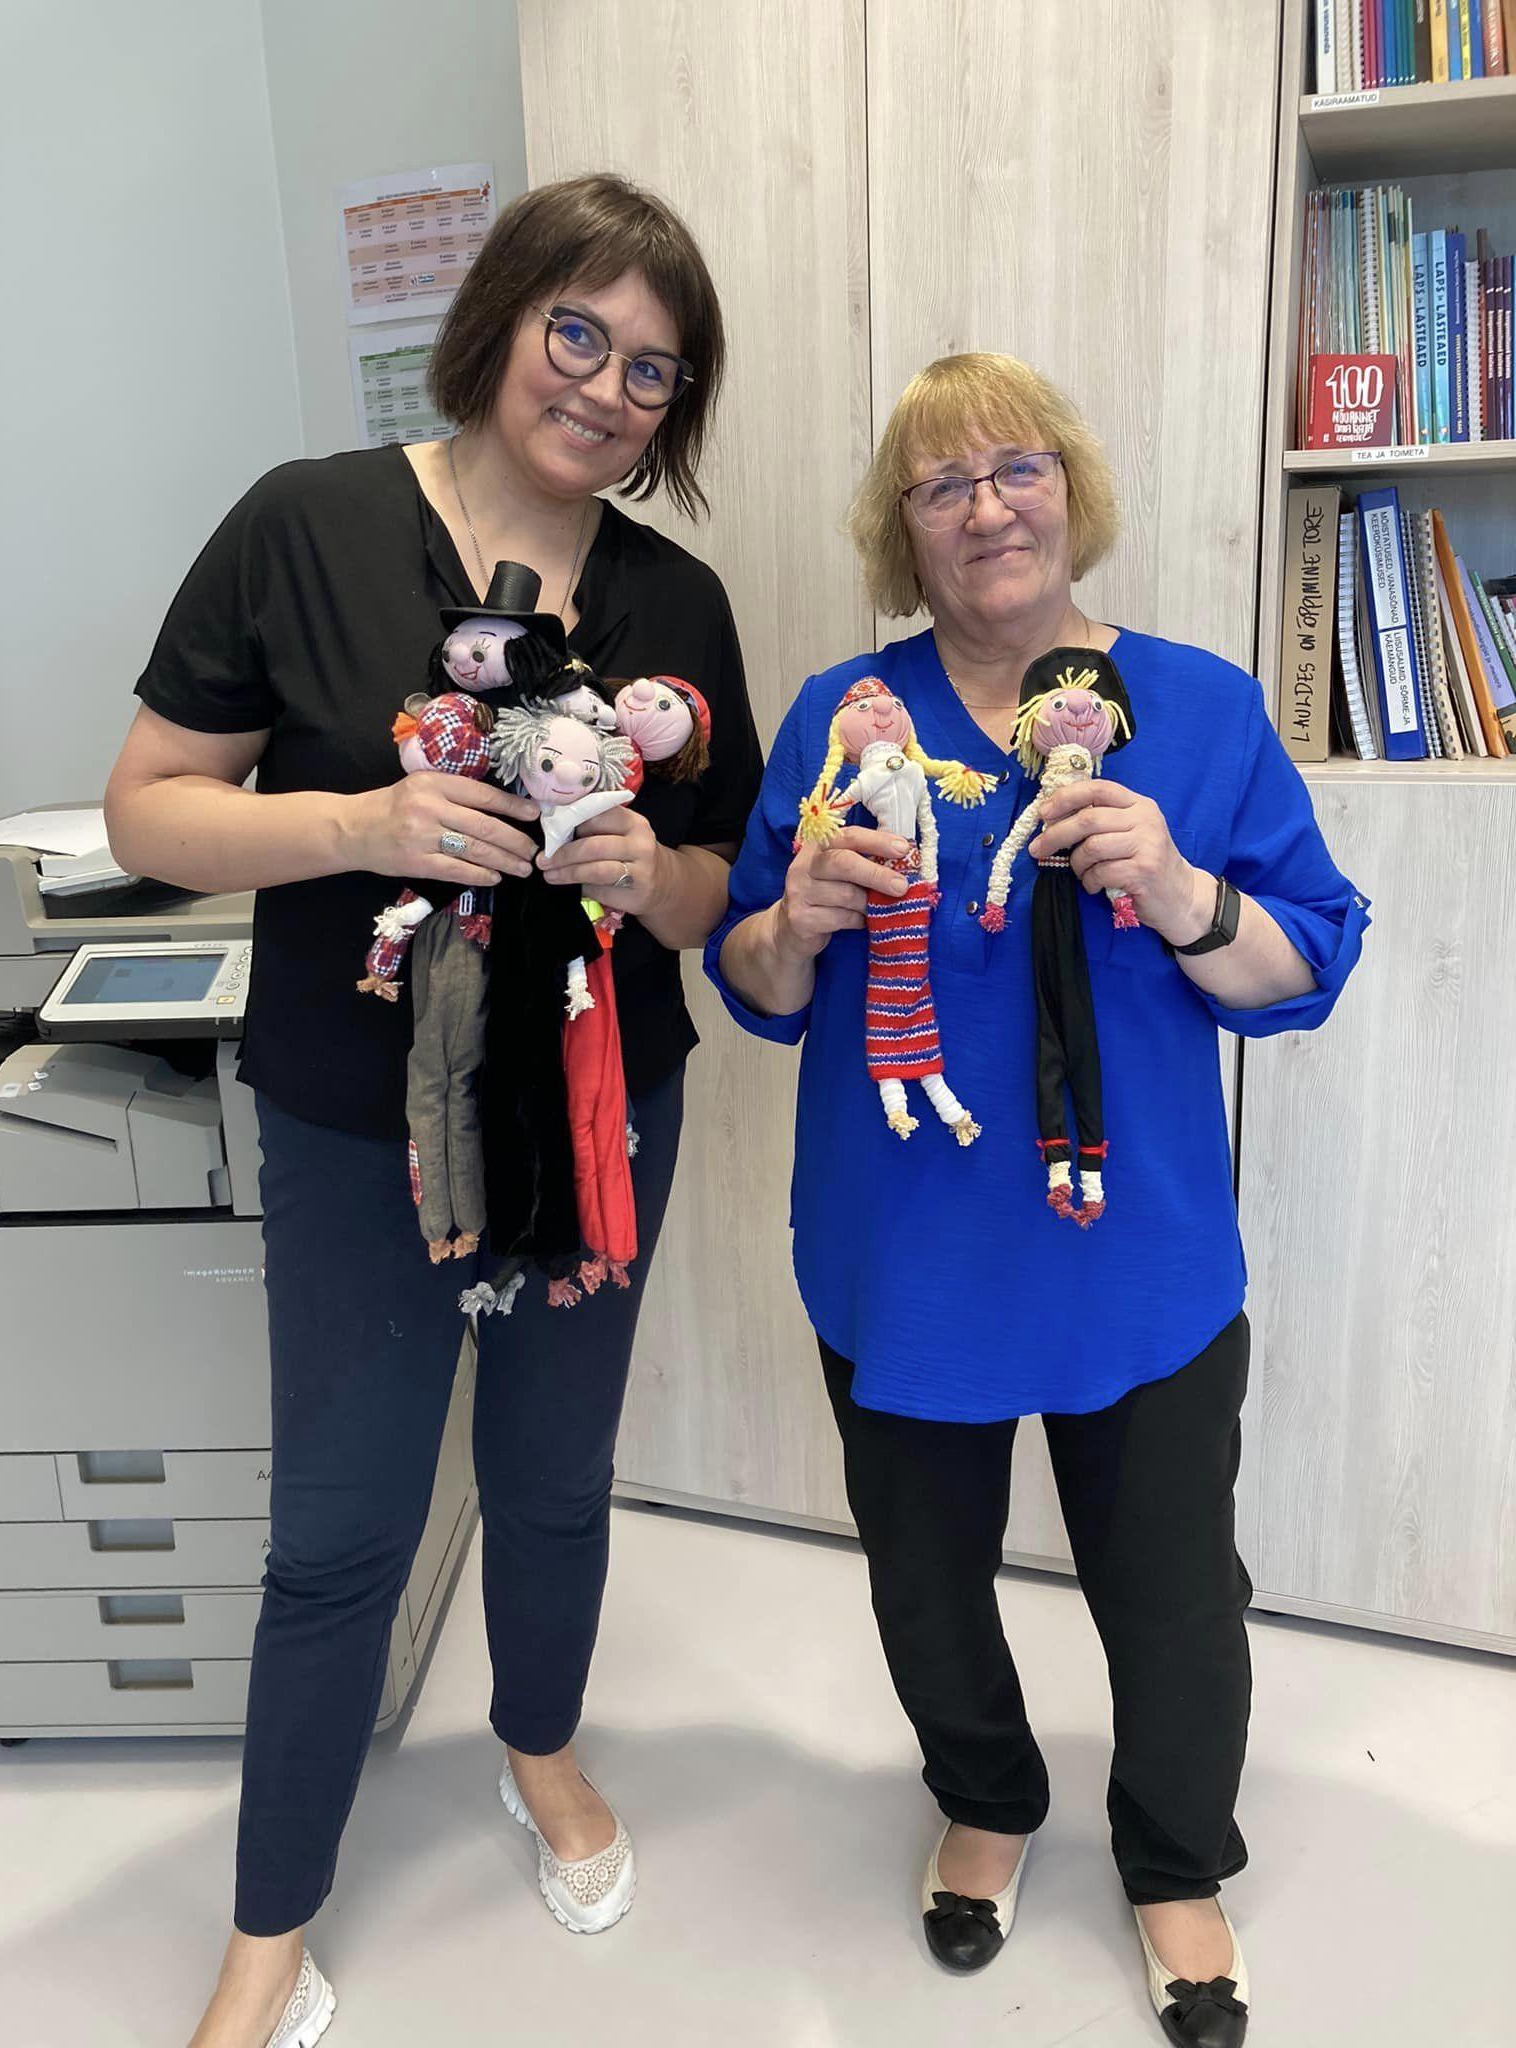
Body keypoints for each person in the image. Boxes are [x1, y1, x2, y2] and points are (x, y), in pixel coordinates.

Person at [105, 173, 762, 2048]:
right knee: (341, 1530)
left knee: (553, 1480)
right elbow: (149, 808)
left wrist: (656, 874)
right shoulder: (305, 525)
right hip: (355, 1123)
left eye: (654, 368)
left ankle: (538, 1746)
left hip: (600, 1116)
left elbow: (728, 889)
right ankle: (269, 1925)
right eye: (580, 333)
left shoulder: (677, 600)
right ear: (501, 319)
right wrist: (353, 825)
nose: (607, 388)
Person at [708, 352, 1369, 2047]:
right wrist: (797, 918)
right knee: (923, 1583)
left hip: (1134, 1259)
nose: (987, 507)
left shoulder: (1199, 708)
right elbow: (756, 986)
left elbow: (1305, 967)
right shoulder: (845, 717)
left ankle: (1176, 1860)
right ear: (903, 530)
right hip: (905, 1258)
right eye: (943, 484)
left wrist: (1184, 889)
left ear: (1072, 490)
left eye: (1017, 469)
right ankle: (987, 1800)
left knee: (1175, 1601)